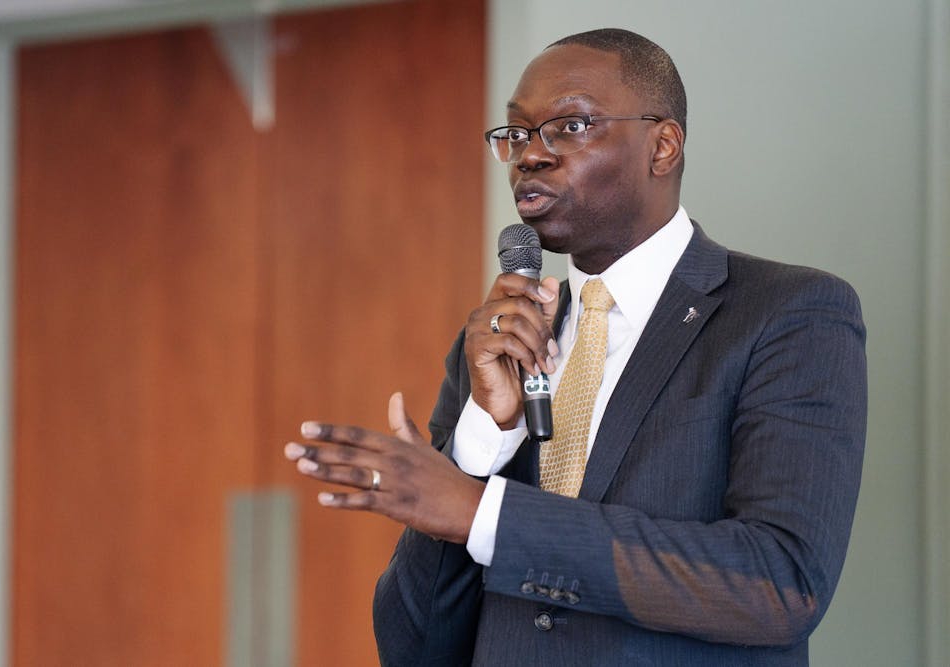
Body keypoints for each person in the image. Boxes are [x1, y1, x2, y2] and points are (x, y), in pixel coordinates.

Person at [284, 28, 867, 666]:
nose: (530, 155)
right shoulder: (493, 347)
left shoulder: (786, 313)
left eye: (570, 126)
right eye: (517, 133)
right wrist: (479, 444)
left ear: (662, 146)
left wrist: (483, 513)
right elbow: (416, 646)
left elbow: (779, 584)